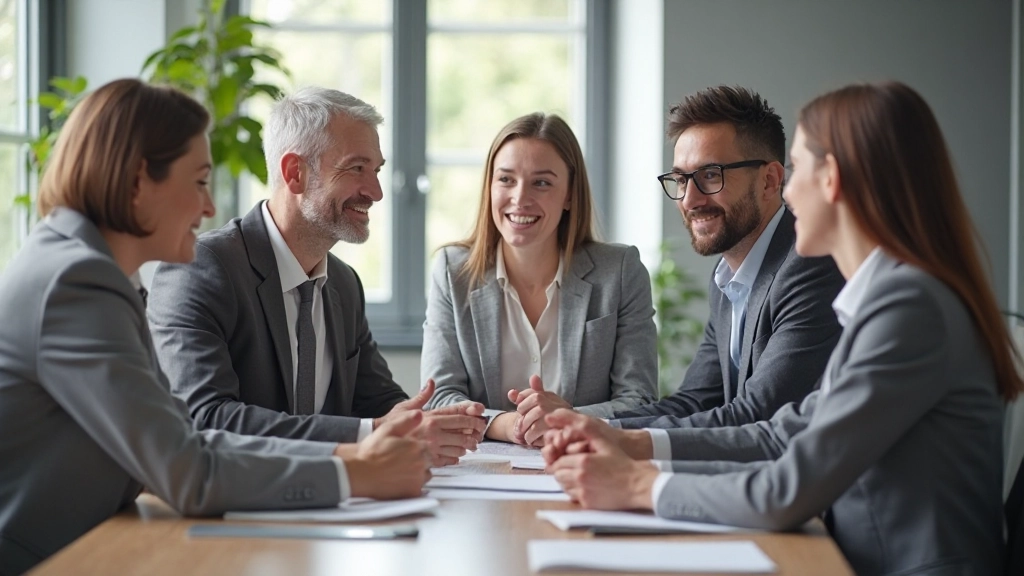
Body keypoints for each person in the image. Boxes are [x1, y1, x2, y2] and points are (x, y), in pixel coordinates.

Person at [543, 81, 1020, 576]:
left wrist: (636, 485)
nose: (789, 192)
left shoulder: (910, 309)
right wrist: (631, 443)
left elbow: (788, 486)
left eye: (798, 170)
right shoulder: (891, 299)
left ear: (830, 178)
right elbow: (782, 435)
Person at [0, 79, 432, 576]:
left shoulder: (87, 271)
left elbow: (183, 440)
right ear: (140, 182)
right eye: (200, 181)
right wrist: (354, 472)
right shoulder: (78, 283)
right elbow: (186, 469)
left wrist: (357, 458)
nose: (209, 207)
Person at [147, 87, 484, 466]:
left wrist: (433, 421)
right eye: (357, 168)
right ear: (295, 173)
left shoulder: (343, 284)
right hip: (236, 511)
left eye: (376, 170)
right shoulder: (202, 268)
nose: (375, 192)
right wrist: (371, 434)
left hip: (336, 503)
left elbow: (377, 403)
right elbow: (206, 418)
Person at [517, 86, 845, 446]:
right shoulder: (729, 279)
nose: (689, 199)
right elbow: (694, 402)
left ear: (769, 180)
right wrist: (577, 420)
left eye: (710, 175)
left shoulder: (809, 268)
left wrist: (597, 431)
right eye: (681, 179)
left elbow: (756, 415)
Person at [420, 113, 658, 445]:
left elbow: (640, 401)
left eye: (542, 182)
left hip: (588, 463)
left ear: (570, 195)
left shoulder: (619, 271)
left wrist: (567, 420)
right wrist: (508, 424)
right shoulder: (452, 271)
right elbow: (439, 397)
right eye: (506, 179)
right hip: (484, 470)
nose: (520, 198)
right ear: (489, 187)